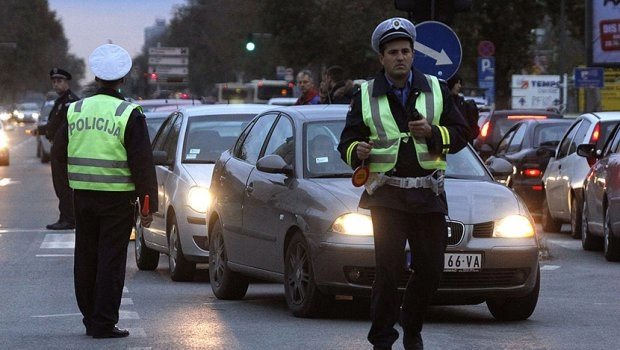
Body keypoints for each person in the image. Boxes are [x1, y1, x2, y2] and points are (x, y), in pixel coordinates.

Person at [338, 17, 469, 350]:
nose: (400, 57)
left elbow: (462, 133)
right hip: (387, 196)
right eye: (393, 52)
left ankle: (412, 324)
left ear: (413, 55)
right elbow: (346, 143)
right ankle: (383, 339)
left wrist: (435, 133)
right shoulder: (365, 94)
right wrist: (359, 151)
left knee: (431, 270)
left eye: (405, 51)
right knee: (388, 270)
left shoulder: (437, 90)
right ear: (381, 58)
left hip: (428, 195)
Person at [52, 44, 158, 339]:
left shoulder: (76, 110)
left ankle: (90, 318)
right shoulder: (128, 113)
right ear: (123, 79)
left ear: (95, 77)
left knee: (85, 258)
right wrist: (148, 207)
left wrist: (65, 193)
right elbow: (142, 165)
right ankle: (103, 322)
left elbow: (58, 154)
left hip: (82, 197)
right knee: (110, 260)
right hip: (117, 200)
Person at [45, 68, 80, 230]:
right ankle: (65, 216)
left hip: (64, 151)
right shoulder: (60, 101)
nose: (56, 85)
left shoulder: (71, 101)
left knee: (64, 186)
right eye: (54, 82)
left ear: (67, 82)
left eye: (59, 81)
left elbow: (68, 127)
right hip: (58, 150)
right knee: (60, 186)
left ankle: (69, 218)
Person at [447, 74, 480, 143]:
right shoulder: (444, 102)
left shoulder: (463, 104)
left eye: (460, 83)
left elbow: (472, 126)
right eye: (457, 83)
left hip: (464, 145)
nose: (459, 86)